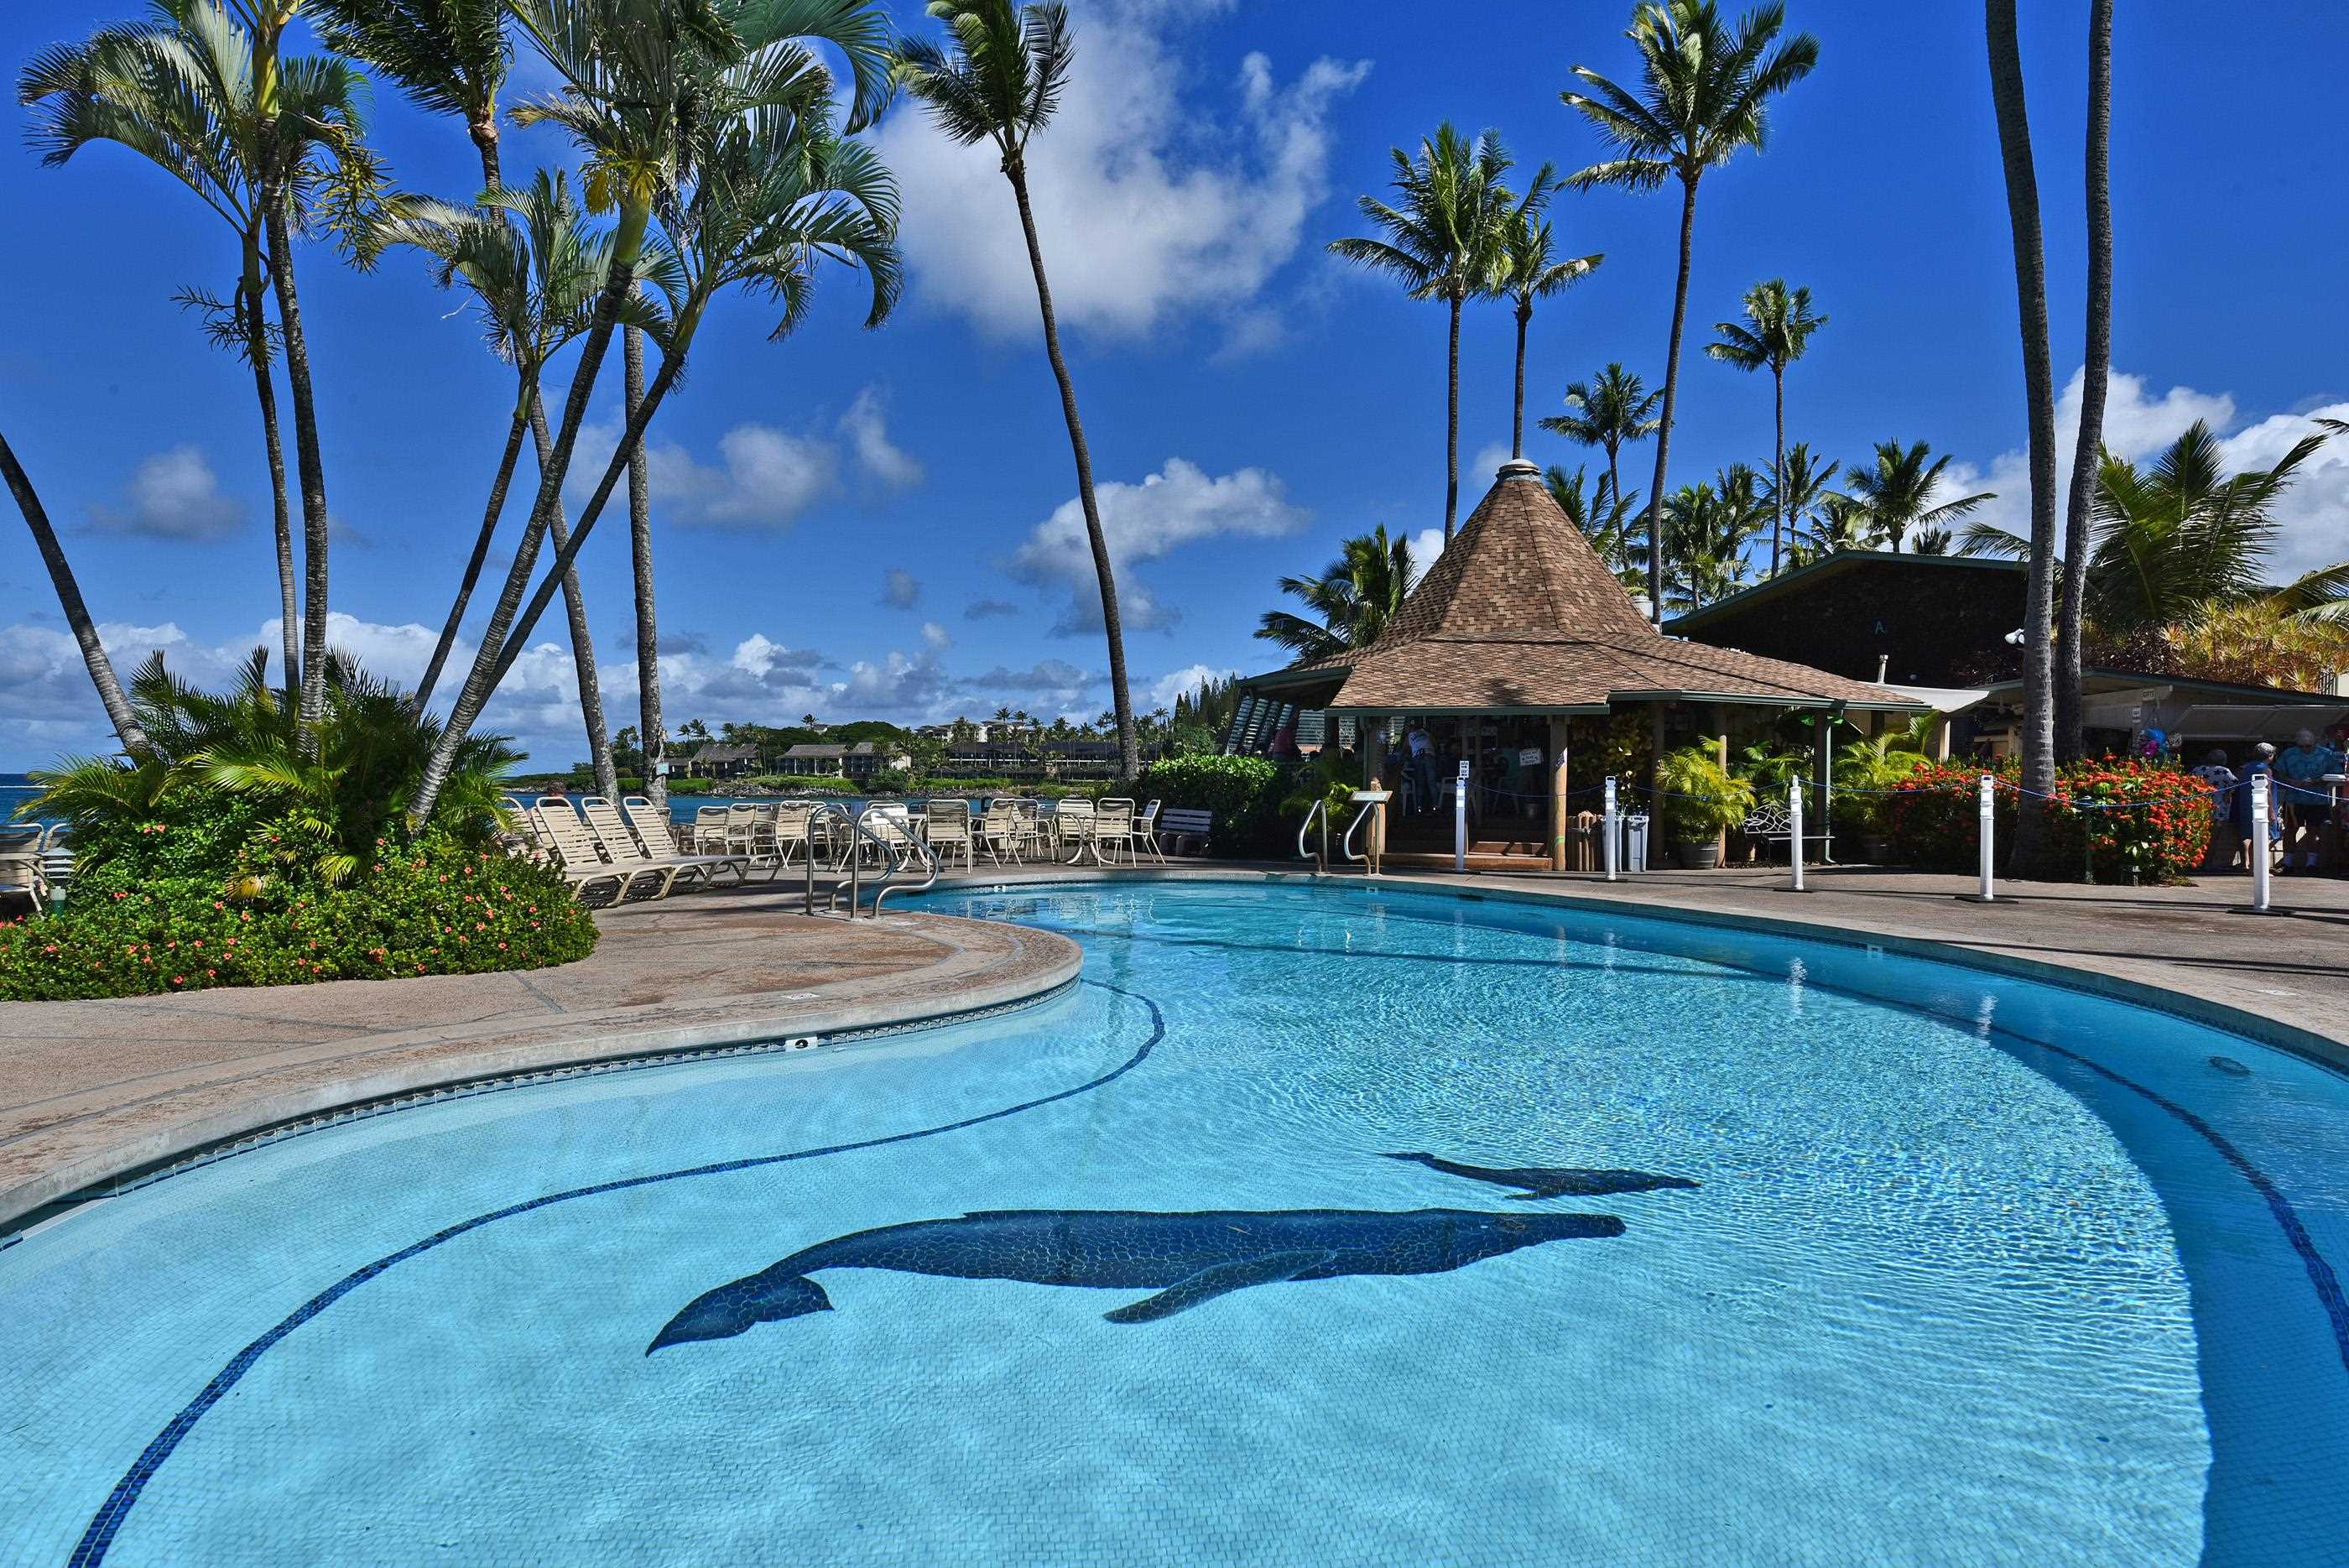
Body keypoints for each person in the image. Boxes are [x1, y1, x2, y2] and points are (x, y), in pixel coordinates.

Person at [2275, 727, 2341, 873]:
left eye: (2308, 746)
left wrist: (2317, 780)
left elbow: (2336, 773)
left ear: (2314, 742)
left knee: (2314, 831)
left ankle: (2311, 864)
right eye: (2301, 746)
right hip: (2294, 799)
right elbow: (2278, 773)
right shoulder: (2288, 754)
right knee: (2290, 831)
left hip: (2317, 800)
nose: (2305, 749)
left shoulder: (2326, 754)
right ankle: (2288, 864)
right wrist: (2291, 781)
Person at [2232, 742, 2281, 874]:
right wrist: (2271, 812)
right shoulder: (2265, 769)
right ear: (2270, 756)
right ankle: (2261, 869)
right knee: (2264, 837)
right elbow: (2268, 792)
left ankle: (2254, 867)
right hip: (2261, 807)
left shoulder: (2247, 768)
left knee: (2253, 836)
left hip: (2247, 805)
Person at [2190, 749, 2238, 869]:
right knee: (2213, 839)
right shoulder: (2224, 771)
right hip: (2219, 809)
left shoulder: (2197, 770)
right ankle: (2208, 864)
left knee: (2199, 838)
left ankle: (2196, 863)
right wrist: (2229, 792)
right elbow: (2236, 783)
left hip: (2199, 808)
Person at [1406, 723, 1437, 815]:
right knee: (1432, 783)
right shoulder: (1426, 733)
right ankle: (1435, 807)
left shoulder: (1410, 736)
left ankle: (1419, 808)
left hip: (1418, 757)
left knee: (1420, 784)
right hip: (1429, 755)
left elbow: (1406, 749)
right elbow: (1435, 744)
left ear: (1410, 728)